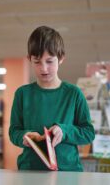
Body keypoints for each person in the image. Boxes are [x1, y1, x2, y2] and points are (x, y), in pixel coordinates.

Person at [9, 26, 95, 171]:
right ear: (29, 59)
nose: (43, 68)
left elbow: (88, 133)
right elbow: (14, 131)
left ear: (61, 58)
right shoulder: (22, 94)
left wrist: (64, 131)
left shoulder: (74, 94)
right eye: (37, 61)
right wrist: (25, 136)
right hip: (30, 170)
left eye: (49, 61)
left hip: (67, 172)